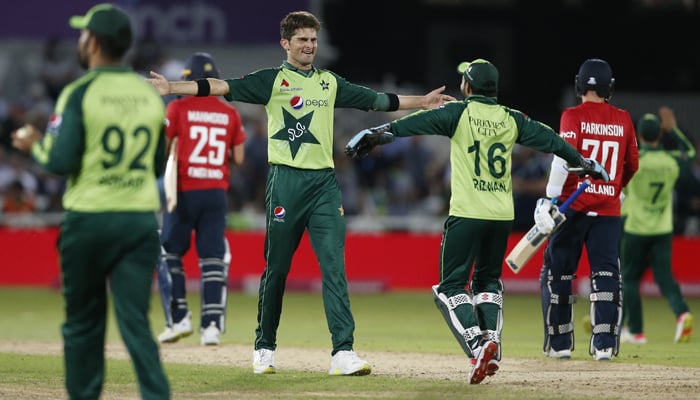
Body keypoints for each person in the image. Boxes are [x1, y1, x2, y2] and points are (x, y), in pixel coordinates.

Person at [147, 10, 455, 376]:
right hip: (286, 183)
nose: (309, 46)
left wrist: (422, 101)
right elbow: (219, 86)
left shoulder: (329, 82)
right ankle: (264, 346)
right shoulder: (270, 81)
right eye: (302, 40)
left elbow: (376, 99)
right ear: (286, 44)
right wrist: (172, 88)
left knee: (334, 268)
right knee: (276, 269)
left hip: (324, 185)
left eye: (313, 40)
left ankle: (343, 352)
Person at [344, 58, 609, 384]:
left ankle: (477, 342)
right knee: (487, 284)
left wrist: (379, 133)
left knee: (449, 288)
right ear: (495, 90)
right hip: (501, 215)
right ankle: (491, 345)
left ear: (467, 87)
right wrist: (583, 162)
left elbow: (416, 123)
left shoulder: (459, 112)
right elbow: (551, 140)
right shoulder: (512, 118)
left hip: (467, 213)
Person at [11, 4, 170, 399]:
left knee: (83, 324)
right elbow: (157, 162)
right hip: (138, 221)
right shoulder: (148, 96)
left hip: (90, 220)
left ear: (95, 43)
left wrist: (34, 146)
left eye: (83, 35)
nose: (80, 41)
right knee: (135, 323)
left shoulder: (79, 92)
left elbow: (60, 161)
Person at [537, 58, 639, 361]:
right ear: (610, 88)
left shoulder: (571, 115)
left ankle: (560, 345)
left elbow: (561, 158)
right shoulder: (623, 119)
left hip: (571, 208)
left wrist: (550, 199)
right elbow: (632, 164)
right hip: (607, 210)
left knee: (559, 275)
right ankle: (605, 345)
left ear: (578, 85)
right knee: (606, 275)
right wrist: (615, 189)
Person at [156, 52, 246, 346]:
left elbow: (164, 149)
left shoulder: (178, 107)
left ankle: (179, 317)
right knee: (212, 259)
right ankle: (211, 328)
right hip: (216, 192)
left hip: (183, 191)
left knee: (170, 252)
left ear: (185, 79)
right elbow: (240, 158)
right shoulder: (230, 113)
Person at [620, 107, 695, 344]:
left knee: (630, 279)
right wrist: (674, 130)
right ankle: (682, 313)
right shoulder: (671, 161)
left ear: (639, 135)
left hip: (635, 228)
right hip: (662, 228)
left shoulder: (634, 162)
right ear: (660, 135)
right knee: (664, 278)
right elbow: (690, 153)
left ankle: (636, 331)